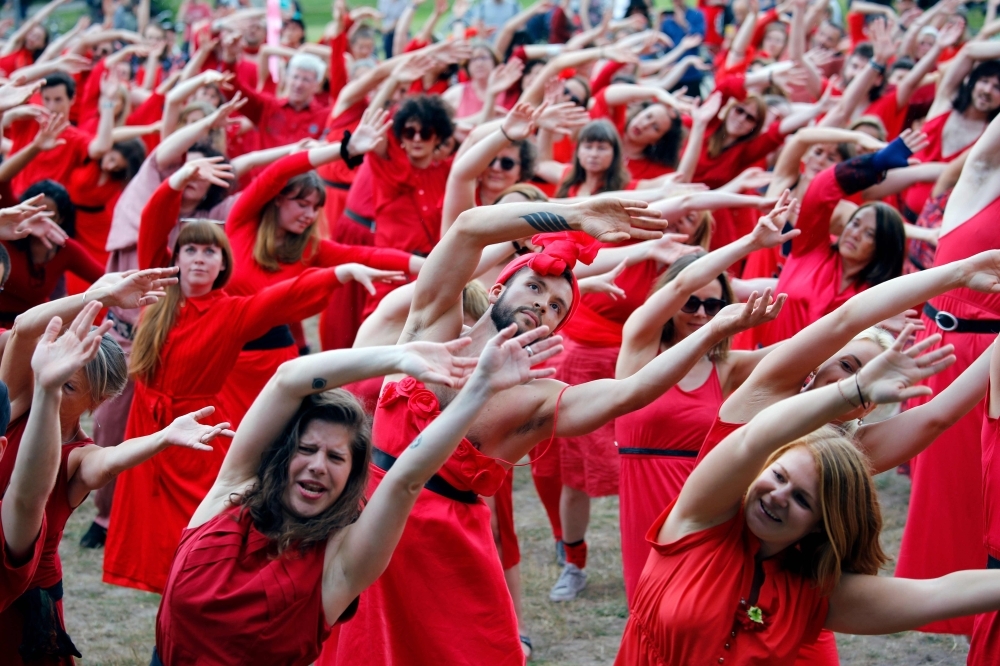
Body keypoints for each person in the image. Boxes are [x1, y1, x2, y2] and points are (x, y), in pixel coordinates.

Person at [328, 186, 783, 665]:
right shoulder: (430, 332)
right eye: (536, 288)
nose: (544, 304)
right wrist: (573, 215)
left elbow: (630, 391)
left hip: (445, 552)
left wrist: (711, 331)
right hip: (365, 522)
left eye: (557, 307)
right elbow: (466, 229)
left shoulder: (535, 401)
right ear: (499, 288)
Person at [155, 323, 558, 666]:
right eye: (308, 450)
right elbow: (286, 381)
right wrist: (398, 357)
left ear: (351, 478)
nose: (317, 465)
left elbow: (407, 479)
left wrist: (480, 389)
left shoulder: (340, 568)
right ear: (283, 455)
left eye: (335, 458)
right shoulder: (231, 496)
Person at [615, 325, 1000, 665]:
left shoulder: (848, 458)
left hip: (781, 603)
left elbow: (937, 417)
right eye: (849, 366)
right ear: (819, 362)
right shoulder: (759, 407)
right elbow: (846, 318)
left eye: (804, 499)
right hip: (703, 568)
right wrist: (954, 275)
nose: (781, 495)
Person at [102, 159, 385, 594]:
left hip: (194, 436)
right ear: (175, 257)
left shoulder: (231, 312)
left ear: (223, 265)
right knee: (148, 529)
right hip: (149, 424)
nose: (199, 258)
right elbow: (153, 218)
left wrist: (339, 272)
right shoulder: (156, 291)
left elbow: (282, 296)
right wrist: (177, 179)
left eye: (210, 251)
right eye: (190, 250)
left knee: (201, 528)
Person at [615, 205, 798, 602]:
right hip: (643, 500)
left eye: (713, 307)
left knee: (702, 604)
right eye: (692, 304)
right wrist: (750, 242)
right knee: (648, 604)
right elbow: (680, 286)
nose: (701, 314)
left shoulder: (725, 367)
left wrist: (866, 327)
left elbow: (797, 351)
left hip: (708, 500)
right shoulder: (640, 346)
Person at [215, 107, 416, 427]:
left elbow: (368, 255)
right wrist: (344, 150)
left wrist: (428, 263)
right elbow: (276, 172)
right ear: (279, 199)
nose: (310, 214)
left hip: (274, 360)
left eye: (316, 207)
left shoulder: (309, 249)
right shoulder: (241, 224)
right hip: (223, 356)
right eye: (301, 203)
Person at [895, 96, 1000, 636]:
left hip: (999, 364)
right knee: (948, 490)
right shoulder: (979, 182)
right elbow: (984, 153)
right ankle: (958, 614)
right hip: (948, 352)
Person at [751, 133, 918, 347]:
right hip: (760, 365)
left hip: (824, 380)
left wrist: (876, 326)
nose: (855, 234)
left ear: (883, 248)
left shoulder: (875, 298)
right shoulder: (810, 249)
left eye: (869, 234)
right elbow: (821, 190)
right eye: (855, 223)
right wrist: (875, 163)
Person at [0, 309, 109, 614]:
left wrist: (164, 437)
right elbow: (23, 328)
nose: (54, 384)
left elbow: (111, 460)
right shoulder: (18, 403)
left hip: (28, 596)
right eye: (53, 373)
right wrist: (97, 297)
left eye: (69, 384)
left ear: (96, 400)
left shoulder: (81, 453)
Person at [0, 181, 105, 328]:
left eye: (48, 214)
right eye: (34, 210)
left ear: (61, 219)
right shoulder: (7, 235)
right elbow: (3, 178)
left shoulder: (66, 248)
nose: (39, 217)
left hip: (31, 329)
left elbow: (105, 277)